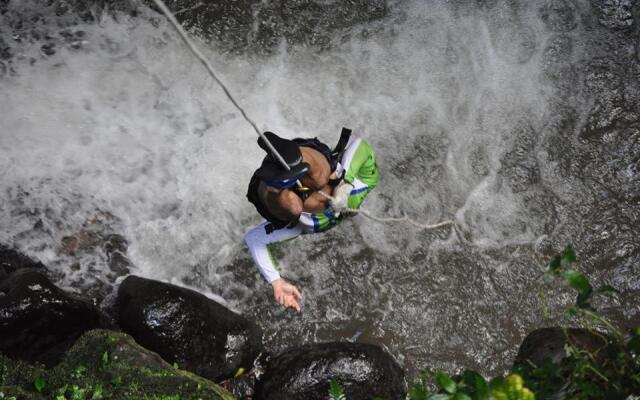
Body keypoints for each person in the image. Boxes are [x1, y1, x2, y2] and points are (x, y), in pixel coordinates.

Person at [244, 128, 379, 312]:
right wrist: (345, 180)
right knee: (322, 178)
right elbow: (361, 145)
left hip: (267, 185)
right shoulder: (365, 185)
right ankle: (292, 157)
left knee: (294, 209)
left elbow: (254, 239)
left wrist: (276, 281)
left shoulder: (304, 227)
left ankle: (276, 187)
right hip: (307, 159)